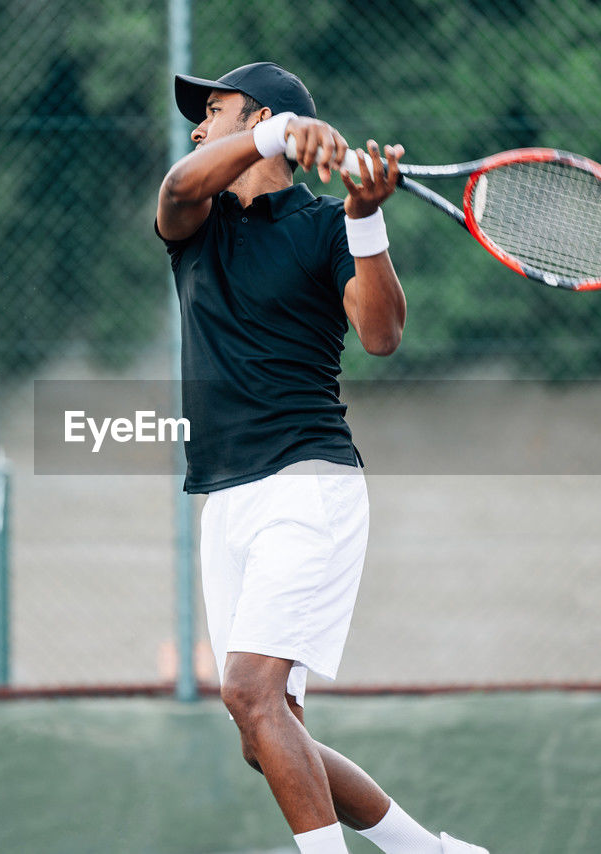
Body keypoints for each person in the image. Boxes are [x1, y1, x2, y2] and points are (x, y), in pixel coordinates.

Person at [155, 61, 489, 854]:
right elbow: (175, 187)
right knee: (262, 731)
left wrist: (366, 216)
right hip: (225, 500)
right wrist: (269, 136)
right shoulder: (197, 222)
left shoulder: (325, 229)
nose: (199, 128)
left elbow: (381, 335)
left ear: (259, 113)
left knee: (249, 691)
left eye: (216, 111)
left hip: (308, 487)